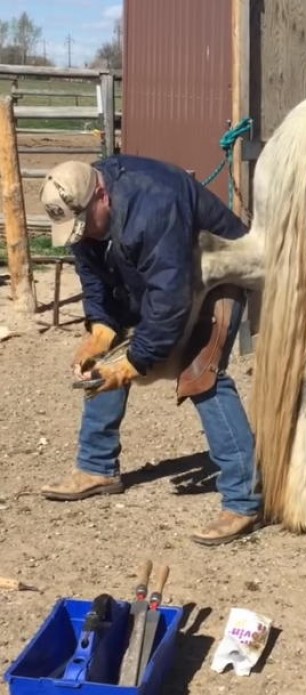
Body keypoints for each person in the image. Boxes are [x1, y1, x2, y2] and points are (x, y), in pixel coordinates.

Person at [38, 155, 261, 546]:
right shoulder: (81, 209)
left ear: (101, 195)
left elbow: (169, 300)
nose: (81, 235)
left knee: (201, 374)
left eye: (85, 225)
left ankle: (245, 502)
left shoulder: (155, 203)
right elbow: (93, 275)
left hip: (219, 272)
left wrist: (134, 362)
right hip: (165, 278)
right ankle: (97, 467)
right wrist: (102, 328)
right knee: (103, 362)